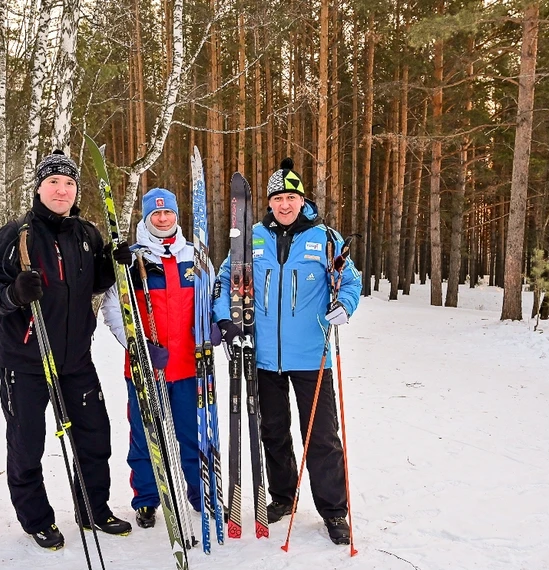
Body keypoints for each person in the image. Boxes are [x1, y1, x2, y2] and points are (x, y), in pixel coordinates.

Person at [0, 150, 134, 550]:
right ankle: (37, 519)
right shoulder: (17, 236)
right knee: (27, 442)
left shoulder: (86, 234)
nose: (61, 190)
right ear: (39, 188)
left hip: (75, 359)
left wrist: (114, 265)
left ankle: (93, 508)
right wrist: (14, 293)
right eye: (53, 183)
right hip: (26, 361)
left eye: (68, 184)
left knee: (95, 436)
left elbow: (91, 285)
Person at [212, 158, 360, 545]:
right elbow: (226, 278)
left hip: (313, 355)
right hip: (263, 358)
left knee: (322, 437)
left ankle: (333, 511)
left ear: (301, 199)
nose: (284, 204)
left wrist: (345, 304)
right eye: (278, 197)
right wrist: (225, 319)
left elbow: (349, 278)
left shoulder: (324, 237)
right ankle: (282, 497)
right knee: (273, 431)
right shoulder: (251, 237)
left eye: (291, 197)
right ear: (269, 201)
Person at [101, 187, 214, 529]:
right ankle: (148, 499)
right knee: (145, 433)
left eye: (168, 214)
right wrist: (139, 347)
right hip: (146, 366)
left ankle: (200, 493)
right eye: (156, 214)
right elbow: (112, 309)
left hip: (187, 365)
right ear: (146, 218)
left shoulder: (195, 256)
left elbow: (211, 299)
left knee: (192, 434)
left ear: (177, 217)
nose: (163, 219)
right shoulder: (131, 259)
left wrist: (213, 326)